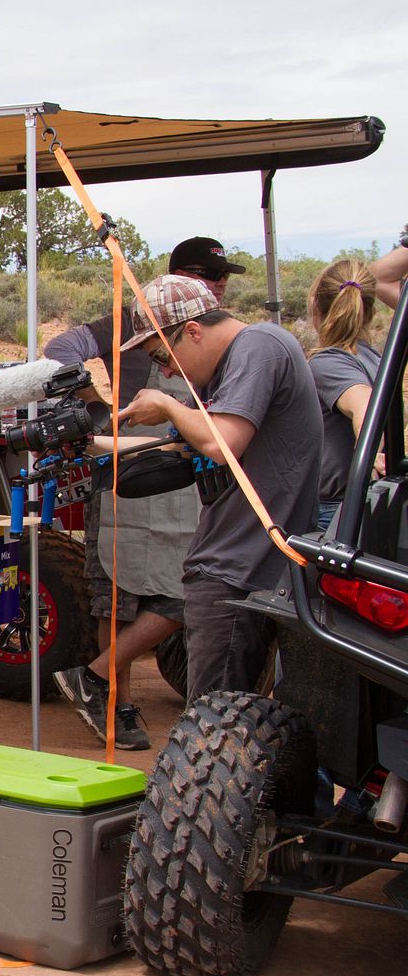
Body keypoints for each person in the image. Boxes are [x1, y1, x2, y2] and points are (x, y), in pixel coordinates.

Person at [48, 237, 239, 749]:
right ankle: (116, 701)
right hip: (126, 472)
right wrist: (96, 402)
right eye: (216, 278)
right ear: (191, 279)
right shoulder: (127, 322)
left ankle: (95, 672)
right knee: (118, 597)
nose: (222, 288)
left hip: (179, 476)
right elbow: (61, 350)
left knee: (180, 591)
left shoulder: (212, 338)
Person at [116, 275, 321, 701]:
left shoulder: (258, 347)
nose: (168, 371)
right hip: (239, 566)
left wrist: (168, 403)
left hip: (238, 569)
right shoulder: (231, 368)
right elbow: (184, 441)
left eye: (163, 357)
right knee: (231, 720)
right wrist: (96, 442)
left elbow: (220, 442)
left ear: (192, 331)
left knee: (211, 725)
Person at [307, 260, 384, 529]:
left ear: (315, 305)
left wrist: (370, 458)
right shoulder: (376, 360)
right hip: (359, 502)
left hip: (337, 510)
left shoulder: (329, 361)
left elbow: (363, 406)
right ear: (371, 312)